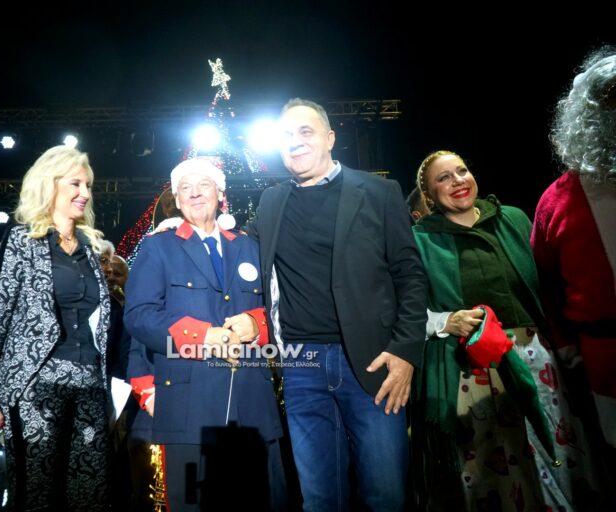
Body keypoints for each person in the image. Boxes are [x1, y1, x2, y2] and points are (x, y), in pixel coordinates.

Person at [243, 98, 427, 511]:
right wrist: (180, 224)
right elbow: (238, 249)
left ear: (330, 138)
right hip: (300, 366)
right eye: (286, 135)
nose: (295, 141)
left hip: (373, 364)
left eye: (305, 132)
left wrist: (405, 352)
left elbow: (411, 276)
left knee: (386, 495)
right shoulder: (271, 202)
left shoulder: (379, 192)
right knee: (320, 499)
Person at [413, 150, 600, 510]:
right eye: (444, 178)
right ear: (429, 195)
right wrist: (445, 321)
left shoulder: (512, 219)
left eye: (462, 171)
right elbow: (401, 310)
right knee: (492, 464)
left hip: (536, 360)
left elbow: (549, 285)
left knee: (556, 451)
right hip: (473, 369)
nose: (458, 181)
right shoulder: (420, 240)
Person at [124, 158, 286, 511]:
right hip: (188, 408)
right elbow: (138, 316)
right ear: (177, 199)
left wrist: (257, 325)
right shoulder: (157, 247)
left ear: (220, 194)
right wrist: (203, 336)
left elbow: (279, 309)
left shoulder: (250, 247)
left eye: (204, 185)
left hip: (252, 407)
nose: (195, 193)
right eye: (186, 188)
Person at [0, 145, 111, 511]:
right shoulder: (22, 241)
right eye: (75, 183)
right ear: (49, 184)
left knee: (89, 498)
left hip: (90, 386)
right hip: (35, 387)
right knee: (36, 498)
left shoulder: (91, 249)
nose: (85, 193)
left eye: (88, 185)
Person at [532, 47, 616, 493]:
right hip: (602, 362)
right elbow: (544, 284)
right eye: (610, 98)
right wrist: (567, 348)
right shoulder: (558, 200)